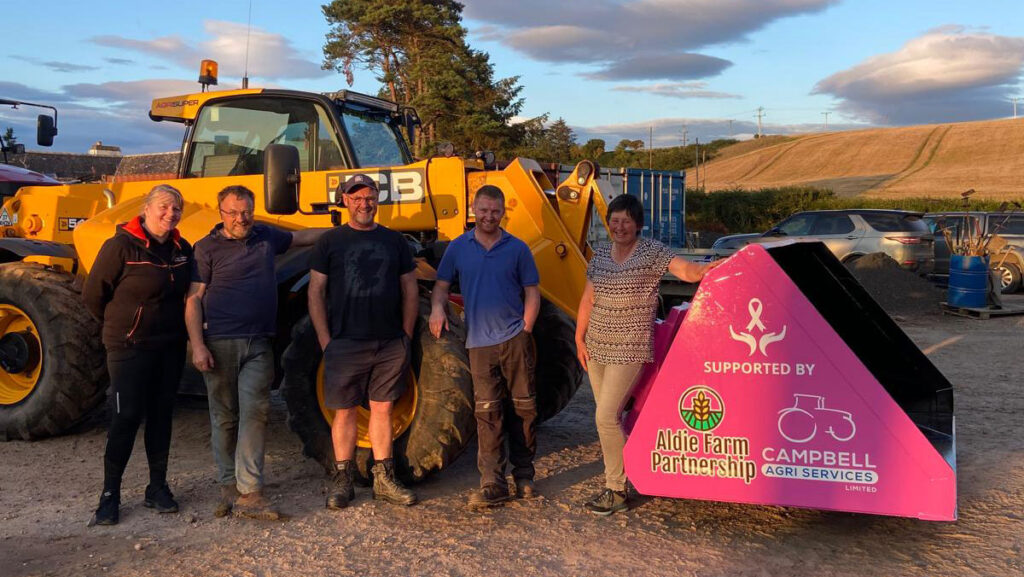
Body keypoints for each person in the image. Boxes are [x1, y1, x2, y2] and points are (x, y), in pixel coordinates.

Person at [575, 193, 722, 516]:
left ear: (637, 224)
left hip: (630, 348)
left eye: (626, 221)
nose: (620, 226)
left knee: (605, 417)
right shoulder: (599, 257)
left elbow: (684, 270)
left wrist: (706, 271)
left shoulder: (652, 251)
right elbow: (588, 300)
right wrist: (579, 338)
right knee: (609, 421)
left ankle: (619, 487)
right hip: (598, 346)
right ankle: (623, 479)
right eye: (614, 221)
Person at [185, 185, 327, 520]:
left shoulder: (265, 236)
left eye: (246, 211)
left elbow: (302, 238)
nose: (240, 218)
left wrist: (342, 229)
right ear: (221, 213)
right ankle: (227, 486)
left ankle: (250, 491)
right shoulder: (205, 248)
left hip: (259, 343)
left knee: (256, 413)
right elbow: (193, 299)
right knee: (224, 416)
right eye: (233, 212)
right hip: (219, 343)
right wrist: (198, 345)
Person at [83, 184, 193, 526]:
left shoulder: (181, 249)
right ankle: (109, 494)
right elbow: (93, 295)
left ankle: (157, 488)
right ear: (146, 209)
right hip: (129, 347)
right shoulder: (120, 247)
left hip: (169, 347)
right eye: (163, 207)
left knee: (161, 416)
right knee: (126, 416)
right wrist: (123, 329)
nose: (169, 214)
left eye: (176, 209)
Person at [309, 173, 419, 509]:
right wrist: (326, 340)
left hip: (388, 342)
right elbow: (316, 291)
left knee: (382, 410)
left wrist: (406, 335)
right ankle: (343, 481)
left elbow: (410, 289)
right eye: (356, 197)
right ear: (344, 200)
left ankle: (383, 479)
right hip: (345, 342)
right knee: (343, 413)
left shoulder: (395, 242)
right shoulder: (330, 242)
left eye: (369, 196)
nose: (363, 203)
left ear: (377, 200)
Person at [429, 185, 541, 509]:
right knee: (487, 413)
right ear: (473, 210)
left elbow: (532, 292)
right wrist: (437, 309)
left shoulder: (517, 249)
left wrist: (526, 329)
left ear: (503, 212)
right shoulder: (458, 248)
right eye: (484, 210)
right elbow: (440, 287)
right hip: (478, 343)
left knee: (523, 408)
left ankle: (524, 476)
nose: (489, 216)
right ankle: (493, 482)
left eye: (495, 211)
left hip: (514, 340)